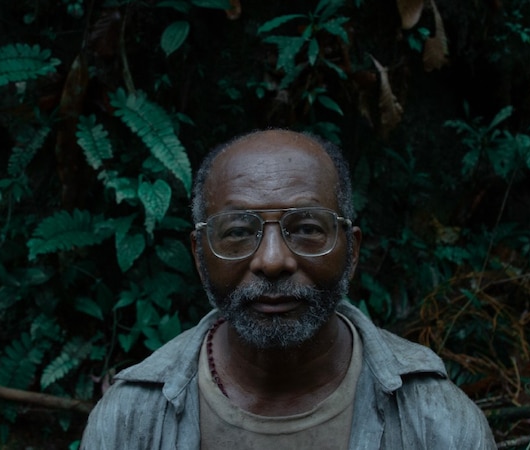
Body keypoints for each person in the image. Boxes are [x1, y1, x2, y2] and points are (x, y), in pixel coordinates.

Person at [80, 129, 496, 449]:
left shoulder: (436, 422)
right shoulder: (130, 421)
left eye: (308, 229)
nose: (273, 260)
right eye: (239, 232)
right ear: (200, 253)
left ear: (351, 251)